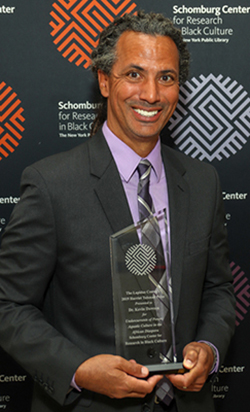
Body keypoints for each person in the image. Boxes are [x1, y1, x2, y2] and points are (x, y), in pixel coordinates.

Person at [0, 11, 235, 412]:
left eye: (166, 78)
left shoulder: (202, 182)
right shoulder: (51, 183)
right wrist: (78, 368)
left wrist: (209, 348)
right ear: (105, 81)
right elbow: (8, 304)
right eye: (134, 75)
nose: (151, 94)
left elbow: (218, 290)